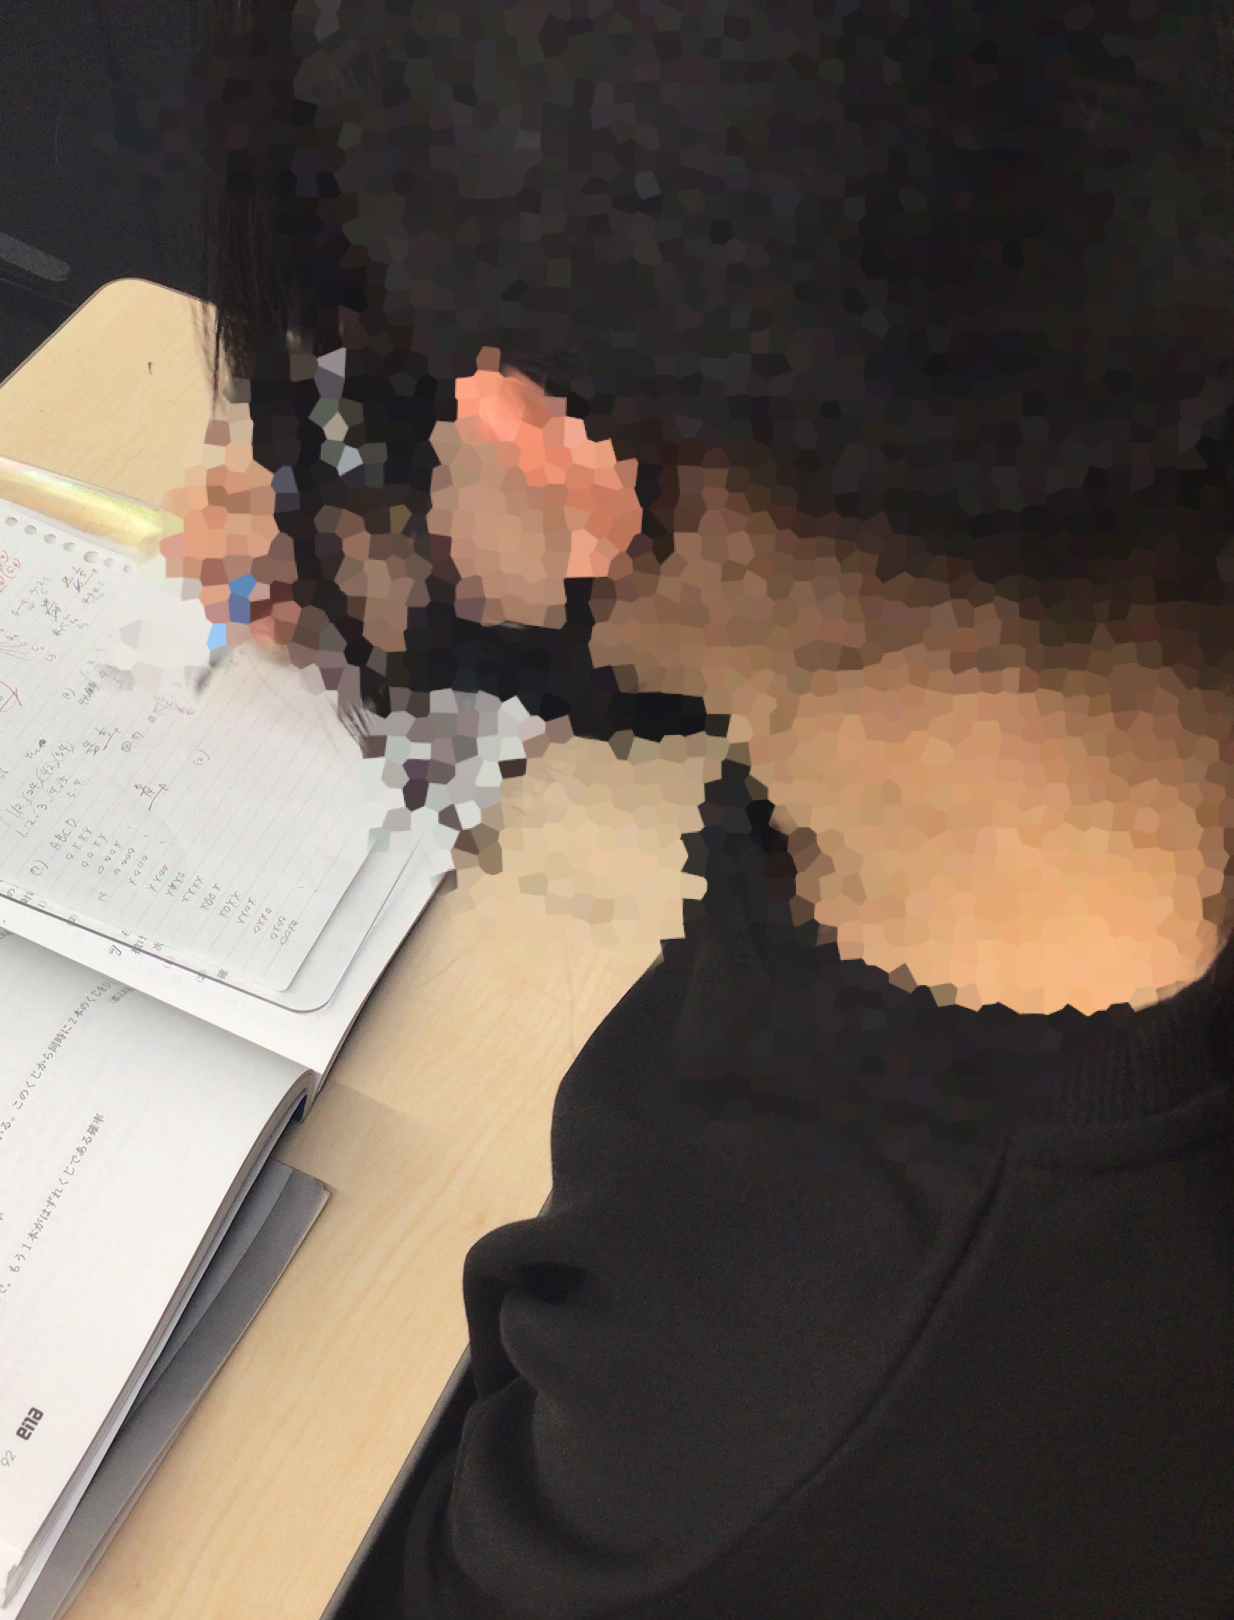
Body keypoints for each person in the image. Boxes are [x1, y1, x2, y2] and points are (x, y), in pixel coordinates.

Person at [167, 0, 1234, 1613]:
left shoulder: (736, 1415)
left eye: (380, 412)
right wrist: (399, 564)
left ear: (550, 468)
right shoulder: (1105, 498)